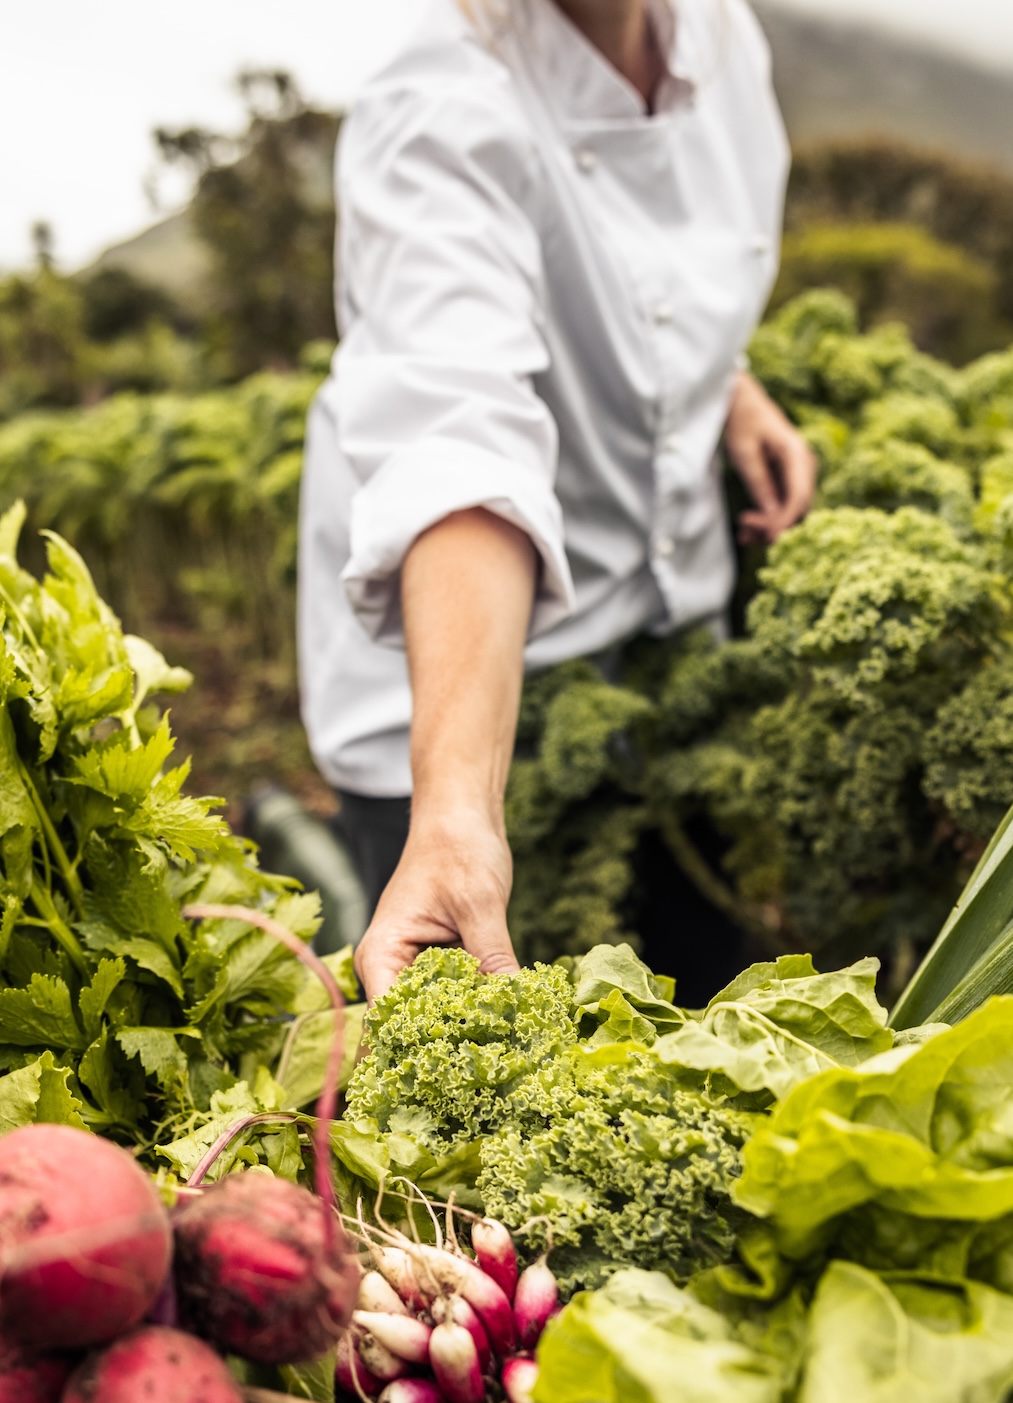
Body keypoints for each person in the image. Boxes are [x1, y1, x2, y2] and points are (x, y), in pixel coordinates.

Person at [297, 0, 814, 1000]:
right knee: (498, 1080)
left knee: (699, 976)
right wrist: (454, 812)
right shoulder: (438, 103)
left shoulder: (719, 35)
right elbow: (461, 439)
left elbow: (657, 264)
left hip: (661, 624)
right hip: (456, 669)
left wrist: (724, 384)